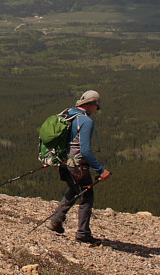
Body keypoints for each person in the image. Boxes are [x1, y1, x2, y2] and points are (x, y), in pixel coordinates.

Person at [46, 89, 111, 244]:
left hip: (63, 162)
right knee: (87, 196)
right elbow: (86, 150)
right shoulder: (86, 121)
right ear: (91, 104)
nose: (97, 110)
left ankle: (56, 221)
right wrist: (101, 170)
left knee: (74, 191)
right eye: (96, 107)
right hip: (77, 165)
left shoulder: (69, 113)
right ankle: (83, 233)